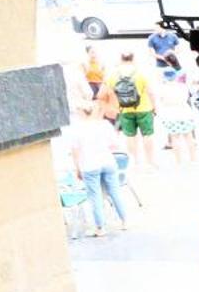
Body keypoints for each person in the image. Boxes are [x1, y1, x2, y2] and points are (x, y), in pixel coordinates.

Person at [65, 99, 129, 236]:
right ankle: (125, 221)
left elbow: (75, 152)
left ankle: (100, 227)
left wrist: (77, 168)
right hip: (107, 161)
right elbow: (115, 144)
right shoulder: (104, 125)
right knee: (114, 192)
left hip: (89, 164)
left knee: (95, 196)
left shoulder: (77, 130)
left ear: (81, 113)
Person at [106, 50, 156, 168]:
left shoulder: (113, 74)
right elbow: (150, 92)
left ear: (120, 59)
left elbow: (110, 93)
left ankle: (135, 162)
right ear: (133, 59)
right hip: (144, 108)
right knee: (147, 135)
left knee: (130, 136)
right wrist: (154, 107)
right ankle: (150, 162)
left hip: (125, 109)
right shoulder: (141, 73)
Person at [152, 65, 198, 166]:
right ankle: (193, 160)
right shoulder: (182, 86)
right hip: (184, 112)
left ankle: (179, 162)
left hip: (170, 114)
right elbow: (187, 98)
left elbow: (161, 102)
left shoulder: (162, 88)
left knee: (175, 138)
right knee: (189, 136)